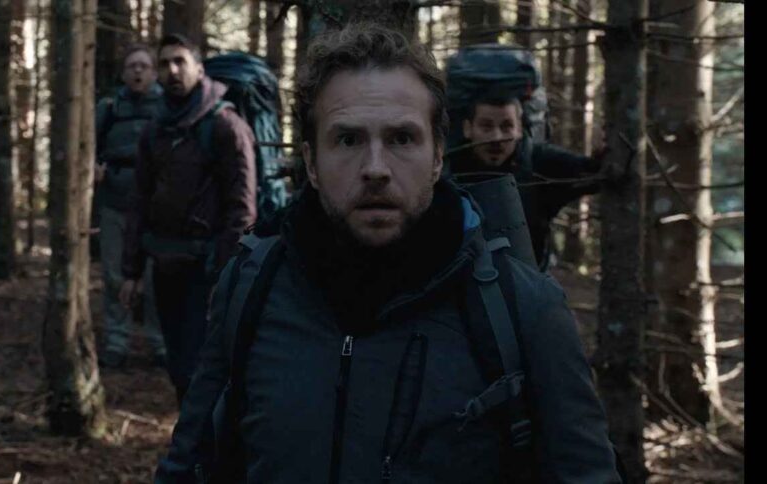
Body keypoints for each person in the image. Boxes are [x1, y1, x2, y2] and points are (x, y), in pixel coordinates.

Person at [155, 23, 621, 483]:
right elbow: (189, 466)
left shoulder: (523, 310)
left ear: (437, 157)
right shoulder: (251, 288)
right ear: (311, 163)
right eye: (348, 139)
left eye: (401, 139)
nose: (375, 169)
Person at [120, 33, 257, 406]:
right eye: (165, 63)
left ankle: (204, 439)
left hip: (207, 268)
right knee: (180, 365)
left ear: (199, 68)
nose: (172, 70)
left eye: (180, 61)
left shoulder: (225, 125)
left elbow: (242, 209)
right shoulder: (155, 128)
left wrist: (226, 275)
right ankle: (193, 435)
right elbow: (139, 199)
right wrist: (132, 270)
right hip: (166, 266)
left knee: (201, 369)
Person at [451, 91, 608, 270]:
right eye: (486, 127)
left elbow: (595, 175)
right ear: (467, 128)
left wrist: (602, 154)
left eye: (506, 127)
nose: (496, 138)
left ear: (519, 129)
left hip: (527, 280)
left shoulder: (540, 162)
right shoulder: (446, 167)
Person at [94, 44, 166, 369]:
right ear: (123, 73)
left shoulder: (168, 107)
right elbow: (90, 146)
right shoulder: (109, 108)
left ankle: (160, 342)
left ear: (153, 72)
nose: (138, 71)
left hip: (156, 207)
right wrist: (94, 168)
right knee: (113, 275)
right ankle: (117, 341)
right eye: (132, 66)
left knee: (155, 278)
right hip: (115, 201)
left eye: (143, 66)